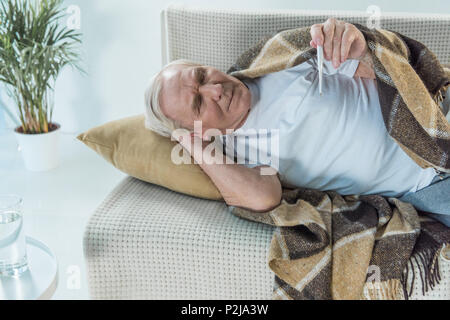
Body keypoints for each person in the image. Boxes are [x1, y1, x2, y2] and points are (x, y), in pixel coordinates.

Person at [144, 18, 450, 226]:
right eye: (198, 103)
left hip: (438, 124)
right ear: (193, 131)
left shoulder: (276, 63)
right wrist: (194, 144)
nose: (215, 89)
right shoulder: (236, 156)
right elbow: (264, 198)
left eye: (201, 75)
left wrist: (363, 48)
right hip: (427, 185)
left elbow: (389, 73)